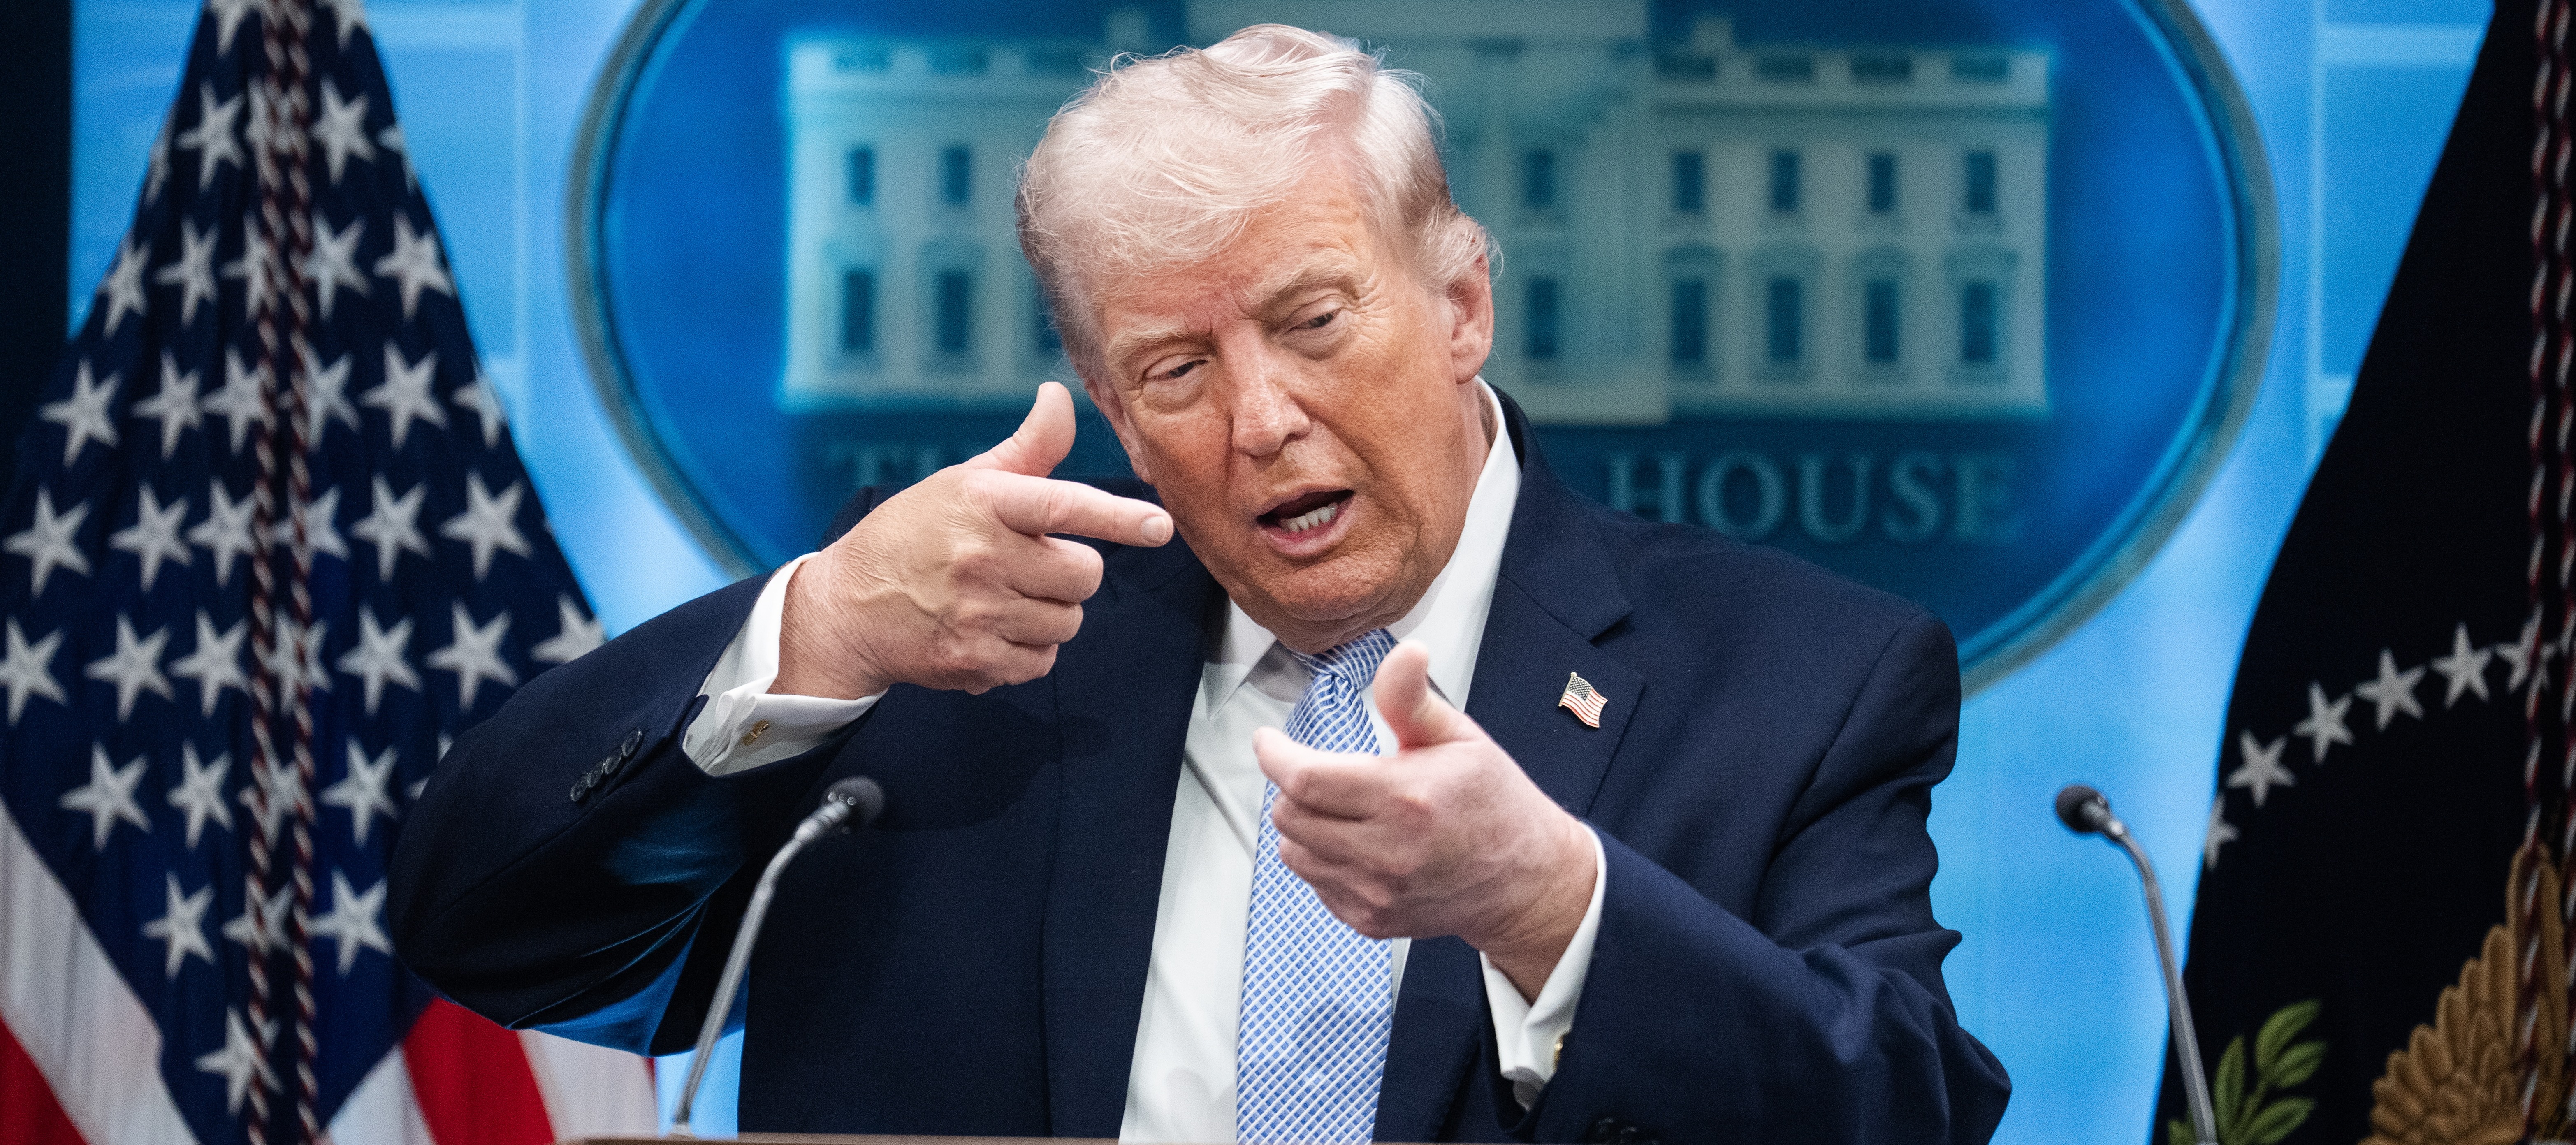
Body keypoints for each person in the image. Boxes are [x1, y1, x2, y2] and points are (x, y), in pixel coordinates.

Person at [390, 24, 2008, 1143]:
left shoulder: (1799, 681)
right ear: (1107, 406)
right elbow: (494, 934)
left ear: (1459, 305)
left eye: (1313, 323)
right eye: (1173, 366)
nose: (1259, 420)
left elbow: (1903, 1114)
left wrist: (1550, 908)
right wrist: (819, 627)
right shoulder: (957, 664)